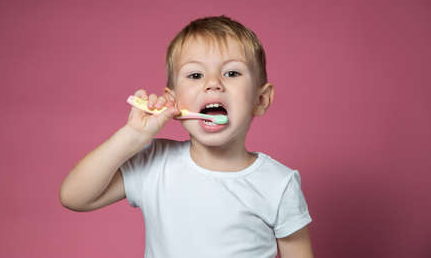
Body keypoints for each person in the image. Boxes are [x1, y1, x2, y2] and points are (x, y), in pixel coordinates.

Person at [59, 15, 314, 258]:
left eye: (231, 73)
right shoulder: (155, 163)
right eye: (195, 75)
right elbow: (75, 197)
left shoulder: (279, 184)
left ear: (260, 100)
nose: (213, 83)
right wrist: (132, 136)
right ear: (173, 102)